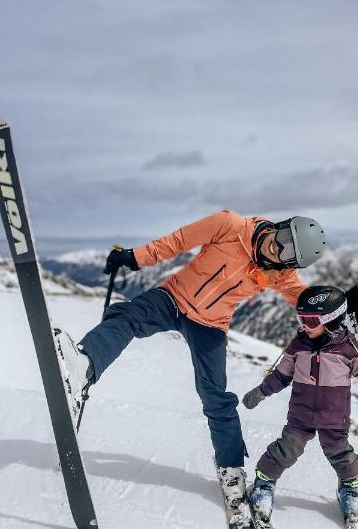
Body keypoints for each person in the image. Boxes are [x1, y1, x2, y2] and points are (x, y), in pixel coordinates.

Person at [53, 211, 326, 512]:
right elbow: (179, 241)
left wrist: (338, 306)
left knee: (216, 397)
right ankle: (84, 366)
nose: (279, 246)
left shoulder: (280, 273)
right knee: (127, 315)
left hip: (210, 325)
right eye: (285, 236)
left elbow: (305, 299)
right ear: (282, 225)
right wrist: (134, 258)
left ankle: (232, 470)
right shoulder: (231, 226)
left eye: (289, 252)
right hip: (171, 298)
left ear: (290, 264)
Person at [241, 285, 358, 529]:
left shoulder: (349, 348)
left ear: (329, 320)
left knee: (340, 453)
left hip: (334, 416)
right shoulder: (298, 344)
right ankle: (263, 484)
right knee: (286, 449)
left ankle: (349, 488)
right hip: (301, 413)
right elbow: (282, 374)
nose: (304, 325)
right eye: (300, 319)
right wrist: (261, 392)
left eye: (310, 320)